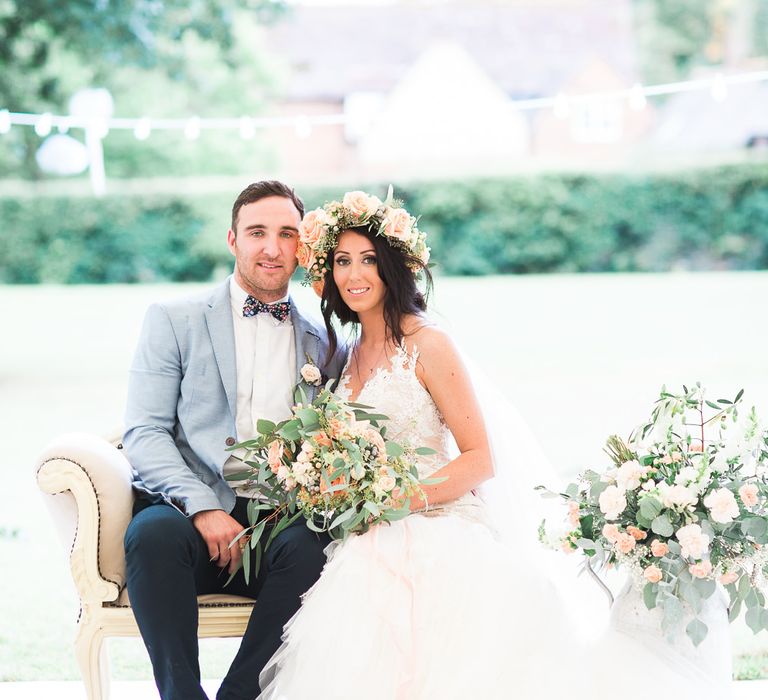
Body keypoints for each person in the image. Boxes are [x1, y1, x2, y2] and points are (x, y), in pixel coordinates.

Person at [256, 191, 732, 699]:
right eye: (343, 261)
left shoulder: (428, 344)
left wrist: (398, 500)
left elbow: (480, 459)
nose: (355, 275)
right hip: (369, 531)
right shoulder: (346, 354)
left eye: (369, 260)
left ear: (393, 266)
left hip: (438, 521)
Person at [122, 180, 346, 700]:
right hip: (189, 515)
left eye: (287, 234)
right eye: (257, 232)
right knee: (150, 536)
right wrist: (202, 508)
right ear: (232, 240)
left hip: (279, 523)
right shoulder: (173, 320)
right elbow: (145, 432)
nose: (271, 248)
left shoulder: (327, 341)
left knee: (316, 552)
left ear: (302, 247)